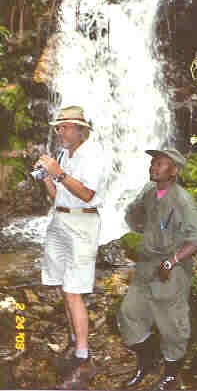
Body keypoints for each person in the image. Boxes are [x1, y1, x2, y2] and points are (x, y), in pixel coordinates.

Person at [118, 148, 197, 390]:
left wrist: (172, 260)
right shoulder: (149, 193)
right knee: (129, 314)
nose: (153, 167)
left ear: (174, 171)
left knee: (172, 324)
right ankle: (148, 359)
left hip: (172, 268)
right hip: (147, 265)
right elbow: (138, 220)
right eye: (153, 163)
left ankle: (171, 376)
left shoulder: (182, 200)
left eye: (160, 164)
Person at [35, 106, 106, 389]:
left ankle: (83, 358)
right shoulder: (65, 154)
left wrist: (59, 173)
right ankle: (75, 342)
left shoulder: (94, 155)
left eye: (65, 127)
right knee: (64, 286)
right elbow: (58, 197)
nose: (60, 131)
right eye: (59, 127)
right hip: (61, 221)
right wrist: (47, 179)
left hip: (82, 226)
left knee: (74, 290)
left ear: (80, 129)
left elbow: (88, 194)